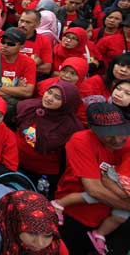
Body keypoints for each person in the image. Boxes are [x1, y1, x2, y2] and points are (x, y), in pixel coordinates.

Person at [56, 103, 130, 255]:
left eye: (120, 132)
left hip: (112, 221)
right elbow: (94, 189)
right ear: (92, 128)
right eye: (108, 134)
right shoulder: (81, 141)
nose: (117, 140)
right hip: (76, 214)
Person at [15, 81, 83, 198]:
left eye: (57, 97)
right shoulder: (28, 107)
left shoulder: (72, 127)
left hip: (43, 175)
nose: (49, 98)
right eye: (49, 92)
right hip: (17, 164)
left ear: (67, 103)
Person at [0, 190, 69, 255]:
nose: (40, 244)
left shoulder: (56, 245)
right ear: (14, 223)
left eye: (47, 235)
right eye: (32, 233)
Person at [0, 27, 37, 126]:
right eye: (3, 41)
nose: (5, 46)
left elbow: (28, 92)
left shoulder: (29, 63)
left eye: (11, 44)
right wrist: (17, 90)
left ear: (21, 47)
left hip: (12, 110)